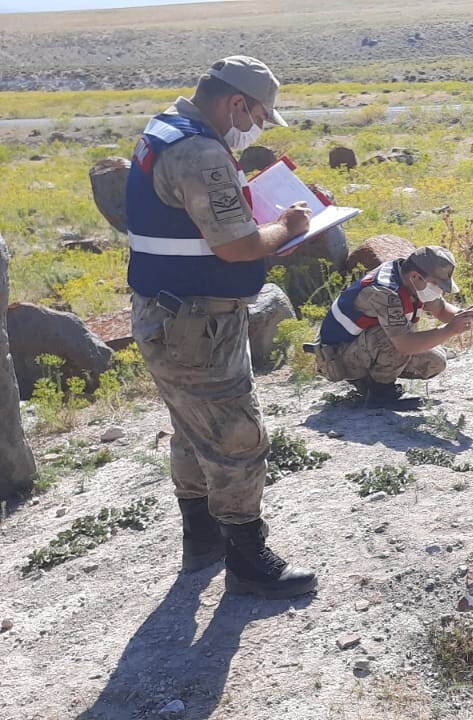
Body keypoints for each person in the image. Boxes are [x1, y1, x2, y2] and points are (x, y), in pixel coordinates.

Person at [126, 56, 317, 598]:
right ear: (236, 102)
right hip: (197, 325)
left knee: (191, 427)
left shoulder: (166, 127)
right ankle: (247, 560)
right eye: (257, 114)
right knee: (236, 435)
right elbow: (235, 246)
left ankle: (202, 539)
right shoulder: (201, 150)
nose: (255, 125)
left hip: (166, 312)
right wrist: (286, 227)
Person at [310, 246, 473, 408]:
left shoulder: (410, 279)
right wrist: (450, 329)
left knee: (434, 361)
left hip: (359, 347)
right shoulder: (385, 293)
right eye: (437, 285)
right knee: (394, 339)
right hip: (336, 358)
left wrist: (464, 316)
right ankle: (380, 394)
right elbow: (404, 344)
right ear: (415, 276)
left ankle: (367, 382)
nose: (439, 291)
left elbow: (439, 308)